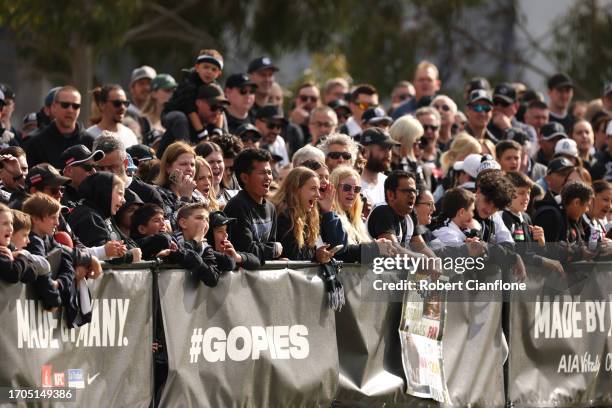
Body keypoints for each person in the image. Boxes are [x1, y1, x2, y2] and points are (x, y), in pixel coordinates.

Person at [23, 193, 95, 327]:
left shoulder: (49, 238)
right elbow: (42, 275)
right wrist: (54, 299)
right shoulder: (32, 242)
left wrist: (59, 283)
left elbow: (66, 261)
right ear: (35, 219)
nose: (57, 223)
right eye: (53, 218)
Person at [67, 172, 141, 264]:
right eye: (120, 194)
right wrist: (129, 256)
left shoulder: (104, 215)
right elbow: (103, 254)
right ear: (105, 192)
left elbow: (129, 244)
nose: (124, 200)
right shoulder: (87, 216)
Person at [159, 50, 224, 153]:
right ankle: (186, 150)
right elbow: (190, 109)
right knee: (180, 118)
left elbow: (221, 108)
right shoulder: (189, 83)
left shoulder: (215, 87)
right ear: (197, 67)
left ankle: (224, 146)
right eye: (206, 67)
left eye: (214, 69)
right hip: (173, 115)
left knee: (220, 110)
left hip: (194, 118)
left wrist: (217, 131)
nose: (209, 71)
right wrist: (202, 134)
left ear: (219, 73)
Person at [224, 148, 282, 263]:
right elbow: (245, 250)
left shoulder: (271, 208)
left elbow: (272, 247)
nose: (268, 178)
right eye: (262, 173)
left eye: (269, 172)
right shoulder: (237, 206)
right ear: (245, 178)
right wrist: (274, 250)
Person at [502, 171, 564, 275]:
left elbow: (533, 253)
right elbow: (516, 254)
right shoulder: (502, 217)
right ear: (507, 193)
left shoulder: (526, 217)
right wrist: (548, 262)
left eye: (528, 193)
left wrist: (541, 243)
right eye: (521, 193)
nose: (527, 198)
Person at [271, 166, 333, 263]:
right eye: (313, 189)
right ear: (296, 189)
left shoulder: (309, 214)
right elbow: (293, 256)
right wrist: (316, 255)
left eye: (318, 189)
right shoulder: (284, 215)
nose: (318, 195)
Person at [24, 86, 95, 169]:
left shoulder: (90, 142)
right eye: (65, 105)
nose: (70, 110)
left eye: (75, 106)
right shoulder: (36, 143)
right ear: (54, 107)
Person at [93, 132, 164, 208]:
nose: (106, 173)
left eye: (112, 167)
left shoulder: (148, 194)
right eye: (100, 168)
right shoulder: (92, 193)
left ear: (126, 163)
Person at [157, 83, 229, 158]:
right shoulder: (182, 123)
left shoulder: (216, 121)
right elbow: (186, 156)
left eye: (221, 108)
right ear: (198, 103)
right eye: (213, 107)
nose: (217, 112)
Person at [534, 181, 595, 262]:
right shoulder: (550, 215)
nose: (587, 210)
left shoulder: (573, 217)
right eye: (587, 205)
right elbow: (548, 252)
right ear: (576, 202)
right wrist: (579, 254)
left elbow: (579, 242)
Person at [154, 141, 200, 229]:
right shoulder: (158, 194)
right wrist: (185, 199)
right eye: (183, 164)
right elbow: (172, 226)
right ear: (168, 168)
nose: (189, 169)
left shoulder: (197, 194)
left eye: (192, 164)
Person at [0, 204, 39, 285]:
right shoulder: (2, 251)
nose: (11, 228)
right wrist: (20, 256)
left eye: (11, 223)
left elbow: (33, 273)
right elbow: (13, 274)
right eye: (5, 223)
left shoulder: (9, 246)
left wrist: (15, 258)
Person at [360, 128, 400, 206]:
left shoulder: (388, 182)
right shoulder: (353, 185)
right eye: (383, 148)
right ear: (365, 151)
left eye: (390, 148)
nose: (388, 153)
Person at [59, 145, 104, 210]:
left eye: (95, 166)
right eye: (88, 168)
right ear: (69, 171)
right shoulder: (57, 195)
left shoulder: (97, 191)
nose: (94, 172)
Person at [140, 74, 178, 146]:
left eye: (173, 91)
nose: (171, 94)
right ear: (154, 94)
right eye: (167, 90)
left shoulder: (178, 119)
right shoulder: (143, 121)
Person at [582, 180, 612, 252]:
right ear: (591, 197)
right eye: (605, 200)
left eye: (611, 202)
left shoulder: (599, 223)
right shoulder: (579, 220)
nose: (610, 206)